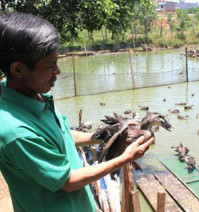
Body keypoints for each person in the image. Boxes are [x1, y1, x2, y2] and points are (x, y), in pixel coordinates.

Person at [0, 12, 154, 212]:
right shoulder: (16, 131)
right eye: (50, 65)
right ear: (18, 70)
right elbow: (68, 181)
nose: (58, 71)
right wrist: (124, 159)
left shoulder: (34, 96)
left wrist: (107, 137)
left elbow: (62, 135)